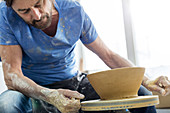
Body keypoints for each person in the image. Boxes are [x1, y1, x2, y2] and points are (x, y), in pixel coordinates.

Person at [0, 0, 169, 113]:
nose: (36, 15)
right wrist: (49, 94)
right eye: (24, 11)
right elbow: (12, 76)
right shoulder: (5, 16)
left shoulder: (73, 11)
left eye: (38, 3)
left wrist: (146, 79)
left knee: (141, 93)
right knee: (7, 105)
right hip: (30, 89)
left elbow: (108, 56)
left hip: (73, 82)